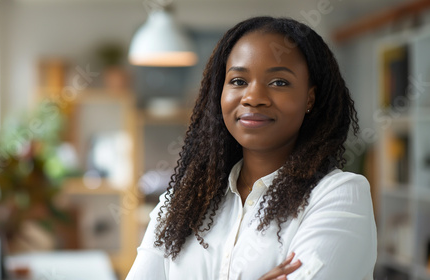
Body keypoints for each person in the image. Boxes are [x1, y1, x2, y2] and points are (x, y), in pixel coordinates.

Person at [126, 16, 377, 280]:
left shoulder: (339, 196)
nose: (253, 98)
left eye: (279, 82)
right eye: (238, 81)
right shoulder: (180, 202)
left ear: (309, 98)